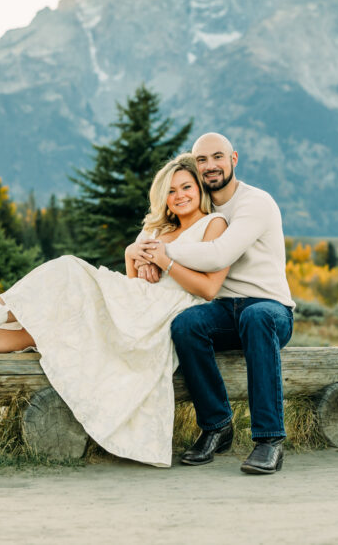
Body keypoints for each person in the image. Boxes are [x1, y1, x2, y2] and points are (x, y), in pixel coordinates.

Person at [0, 153, 229, 467]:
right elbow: (136, 282)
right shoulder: (156, 228)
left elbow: (207, 289)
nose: (179, 196)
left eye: (186, 187)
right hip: (135, 301)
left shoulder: (212, 224)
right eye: (171, 191)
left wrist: (163, 260)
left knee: (66, 268)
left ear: (200, 189)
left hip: (165, 312)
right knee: (46, 323)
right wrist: (132, 254)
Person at [133, 133, 295, 475]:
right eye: (202, 160)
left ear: (233, 159)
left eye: (217, 157)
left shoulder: (255, 203)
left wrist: (159, 254)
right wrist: (142, 252)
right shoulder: (203, 206)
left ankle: (269, 440)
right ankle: (217, 424)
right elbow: (165, 234)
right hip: (224, 311)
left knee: (256, 317)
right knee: (186, 325)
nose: (210, 166)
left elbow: (219, 254)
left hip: (270, 308)